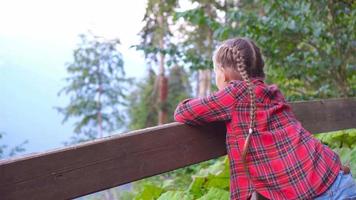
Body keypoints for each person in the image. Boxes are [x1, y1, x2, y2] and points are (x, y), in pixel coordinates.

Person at [174, 37, 356, 200]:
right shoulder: (272, 93)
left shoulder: (235, 93)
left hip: (320, 194)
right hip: (338, 179)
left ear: (223, 73)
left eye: (215, 73)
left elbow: (183, 112)